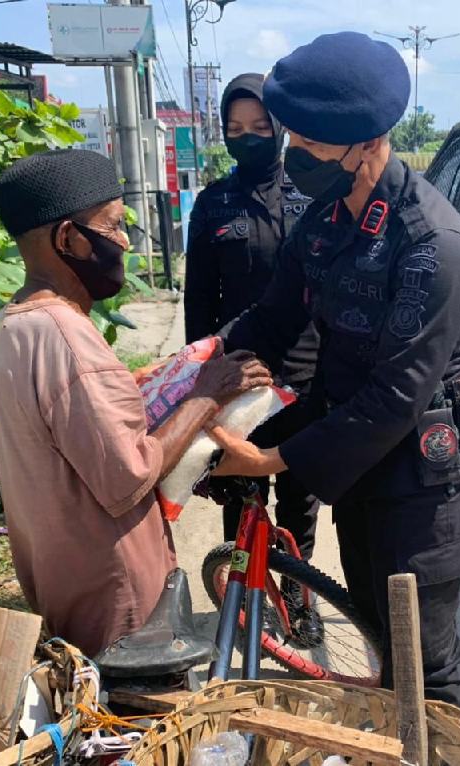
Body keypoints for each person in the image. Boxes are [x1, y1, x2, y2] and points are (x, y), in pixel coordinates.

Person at [209, 32, 460, 709]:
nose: (294, 153)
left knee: (425, 661)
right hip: (355, 461)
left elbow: (395, 397)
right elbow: (274, 321)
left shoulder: (432, 246)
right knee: (377, 630)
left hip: (421, 481)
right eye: (292, 136)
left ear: (367, 143)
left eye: (312, 142)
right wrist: (194, 370)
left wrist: (270, 460)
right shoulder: (327, 221)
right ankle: (393, 741)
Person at [0, 149, 272, 657]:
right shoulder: (66, 339)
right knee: (139, 723)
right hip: (117, 594)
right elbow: (129, 474)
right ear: (69, 238)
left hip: (61, 576)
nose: (124, 242)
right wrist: (207, 394)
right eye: (114, 226)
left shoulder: (12, 323)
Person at [183, 74, 320, 569]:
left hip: (308, 372)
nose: (248, 137)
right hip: (239, 373)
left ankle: (299, 601)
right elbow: (198, 297)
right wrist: (200, 379)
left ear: (280, 127)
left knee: (301, 497)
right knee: (241, 491)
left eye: (260, 125)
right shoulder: (213, 202)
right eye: (235, 128)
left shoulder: (314, 194)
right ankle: (242, 594)